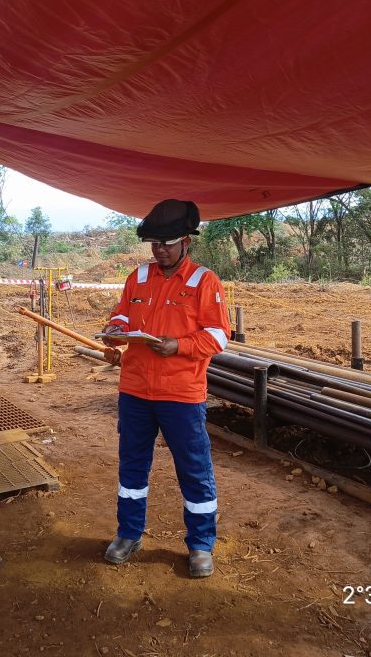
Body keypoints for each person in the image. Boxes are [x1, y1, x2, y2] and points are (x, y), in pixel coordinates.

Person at [100, 199, 231, 578]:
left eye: (167, 243)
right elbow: (123, 313)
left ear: (186, 242)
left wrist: (180, 346)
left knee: (194, 469)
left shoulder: (204, 281)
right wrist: (114, 331)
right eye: (155, 243)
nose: (160, 250)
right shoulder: (137, 277)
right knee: (132, 467)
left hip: (182, 395)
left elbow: (219, 334)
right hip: (136, 391)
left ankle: (201, 545)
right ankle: (128, 534)